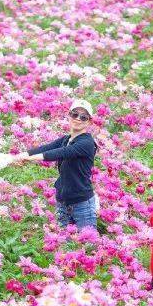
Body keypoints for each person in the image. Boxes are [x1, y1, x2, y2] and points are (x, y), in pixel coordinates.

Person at [24, 99, 98, 231]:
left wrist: (30, 159)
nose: (78, 119)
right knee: (63, 245)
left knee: (87, 245)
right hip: (63, 202)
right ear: (69, 115)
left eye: (84, 117)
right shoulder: (66, 139)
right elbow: (46, 148)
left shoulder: (87, 143)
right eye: (75, 114)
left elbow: (61, 153)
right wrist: (21, 156)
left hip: (82, 204)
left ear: (89, 121)